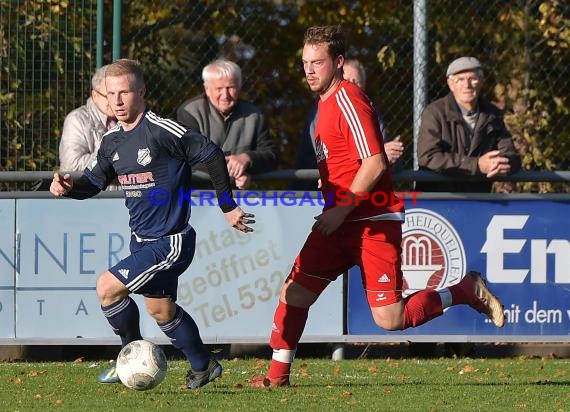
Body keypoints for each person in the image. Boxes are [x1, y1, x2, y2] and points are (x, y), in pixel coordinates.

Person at [250, 26, 505, 388]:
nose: (309, 70)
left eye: (317, 62)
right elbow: (350, 162)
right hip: (338, 221)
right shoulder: (323, 103)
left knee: (390, 319)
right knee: (293, 292)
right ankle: (277, 377)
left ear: (338, 63)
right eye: (305, 63)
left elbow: (374, 163)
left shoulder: (348, 99)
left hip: (371, 221)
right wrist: (332, 185)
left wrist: (340, 208)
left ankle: (463, 290)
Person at [50, 59, 255, 389]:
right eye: (111, 94)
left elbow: (212, 154)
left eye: (125, 92)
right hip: (141, 240)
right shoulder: (112, 140)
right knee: (161, 311)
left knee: (107, 287)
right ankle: (203, 366)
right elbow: (93, 182)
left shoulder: (162, 131)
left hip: (171, 241)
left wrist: (228, 206)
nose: (117, 101)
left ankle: (126, 358)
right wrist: (69, 189)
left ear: (141, 92)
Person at [294, 58, 403, 190]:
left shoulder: (372, 114)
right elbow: (327, 160)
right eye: (347, 80)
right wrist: (377, 154)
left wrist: (388, 158)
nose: (350, 85)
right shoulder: (322, 111)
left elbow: (387, 164)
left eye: (356, 82)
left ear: (364, 87)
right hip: (316, 192)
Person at [416, 56, 521, 192]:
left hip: (477, 198)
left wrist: (502, 164)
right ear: (450, 84)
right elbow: (428, 157)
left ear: (481, 81)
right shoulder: (435, 112)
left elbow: (510, 155)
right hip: (438, 199)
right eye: (460, 80)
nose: (467, 85)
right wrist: (476, 165)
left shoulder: (493, 115)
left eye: (472, 78)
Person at [177, 58, 279, 189]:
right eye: (218, 88)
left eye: (230, 87)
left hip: (238, 197)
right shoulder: (189, 112)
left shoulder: (255, 115)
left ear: (239, 87)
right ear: (207, 89)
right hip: (199, 195)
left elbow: (271, 155)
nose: (225, 95)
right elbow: (189, 156)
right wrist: (232, 171)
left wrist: (247, 159)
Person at [59, 65, 118, 173]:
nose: (117, 101)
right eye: (110, 95)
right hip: (94, 190)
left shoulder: (132, 118)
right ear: (95, 96)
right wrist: (118, 157)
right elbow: (72, 164)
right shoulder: (77, 120)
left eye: (122, 94)